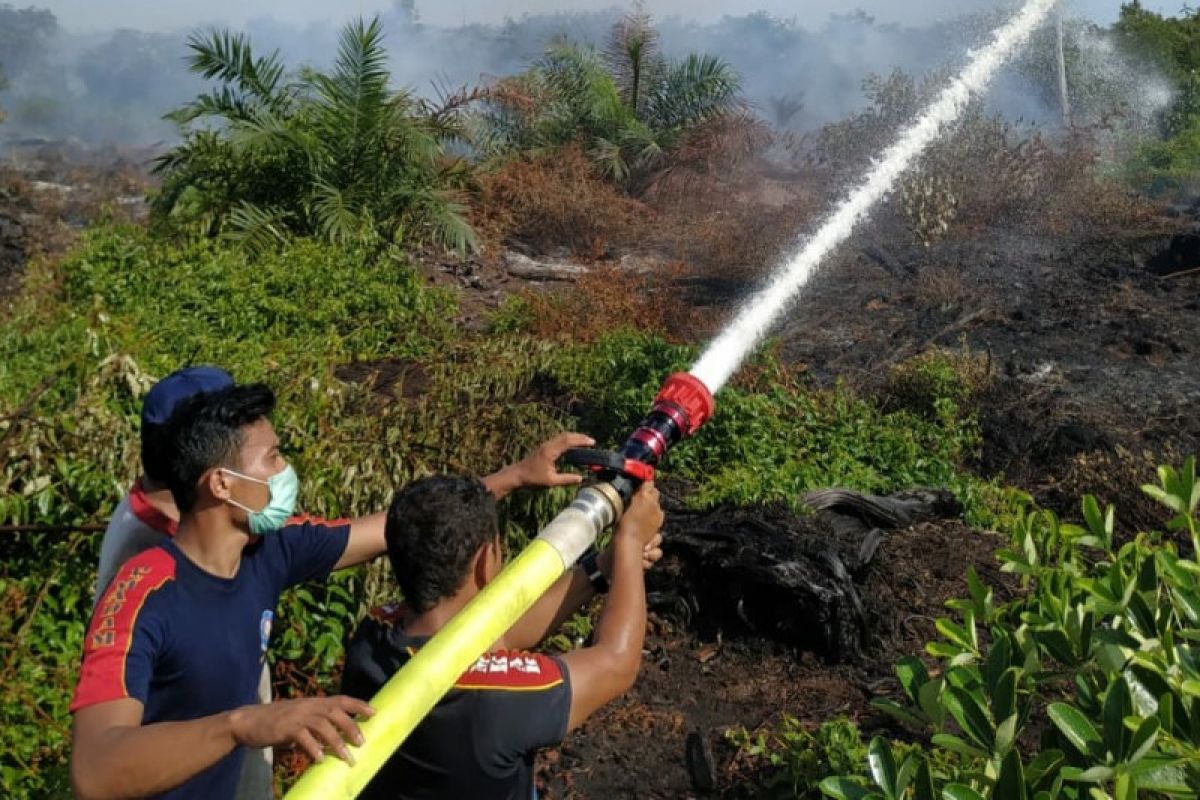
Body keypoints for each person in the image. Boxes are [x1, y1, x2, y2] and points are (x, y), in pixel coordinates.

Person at [70, 383, 597, 800]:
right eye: (273, 458)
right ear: (221, 484)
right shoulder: (140, 596)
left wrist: (513, 477)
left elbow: (403, 525)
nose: (285, 471)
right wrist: (243, 725)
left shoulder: (266, 551)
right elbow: (95, 771)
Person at [341, 473, 665, 800]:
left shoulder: (373, 636)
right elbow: (616, 662)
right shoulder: (495, 699)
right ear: (484, 561)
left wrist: (603, 568)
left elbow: (501, 634)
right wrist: (630, 542)